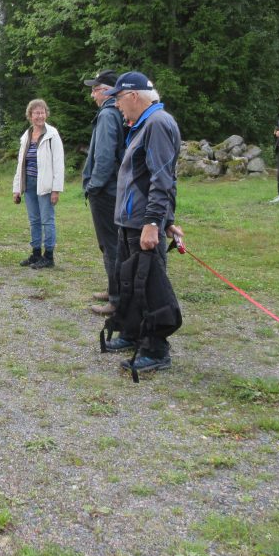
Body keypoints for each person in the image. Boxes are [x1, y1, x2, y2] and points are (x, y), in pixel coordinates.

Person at [104, 71, 185, 373]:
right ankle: (132, 332)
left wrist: (155, 221)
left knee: (148, 285)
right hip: (131, 220)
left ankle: (156, 348)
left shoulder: (158, 124)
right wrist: (167, 219)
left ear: (134, 96)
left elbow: (163, 177)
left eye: (119, 99)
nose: (117, 105)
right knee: (129, 281)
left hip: (142, 222)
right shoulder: (143, 124)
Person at [82, 70, 125, 316]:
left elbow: (105, 156)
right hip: (109, 189)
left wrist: (94, 185)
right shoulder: (111, 113)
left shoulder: (108, 115)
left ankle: (116, 299)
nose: (92, 94)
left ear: (107, 90)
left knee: (111, 245)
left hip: (106, 191)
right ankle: (113, 288)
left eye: (95, 89)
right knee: (109, 244)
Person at [12, 99, 65, 269]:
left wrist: (56, 189)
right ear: (30, 115)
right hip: (29, 184)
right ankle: (36, 254)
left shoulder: (52, 135)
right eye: (36, 113)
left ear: (46, 114)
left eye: (42, 112)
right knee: (34, 220)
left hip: (46, 185)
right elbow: (21, 164)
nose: (40, 116)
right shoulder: (26, 136)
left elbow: (59, 163)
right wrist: (17, 189)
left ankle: (48, 256)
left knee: (47, 220)